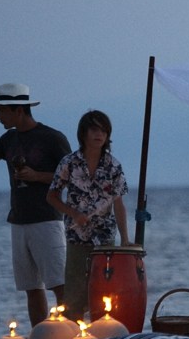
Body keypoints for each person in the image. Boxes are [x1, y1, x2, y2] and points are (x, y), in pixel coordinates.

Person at [0, 83, 71, 327]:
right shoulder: (9, 139)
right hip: (18, 221)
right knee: (32, 287)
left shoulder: (52, 138)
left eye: (1, 111)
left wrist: (37, 176)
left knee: (60, 285)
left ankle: (72, 334)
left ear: (18, 110)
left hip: (47, 220)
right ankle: (41, 337)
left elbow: (73, 175)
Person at [47, 110, 131, 321]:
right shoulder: (69, 162)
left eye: (103, 130)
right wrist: (73, 213)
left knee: (104, 291)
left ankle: (102, 337)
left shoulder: (113, 165)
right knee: (75, 291)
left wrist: (125, 238)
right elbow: (52, 196)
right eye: (94, 129)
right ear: (83, 133)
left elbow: (119, 203)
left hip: (104, 236)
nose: (99, 135)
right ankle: (74, 337)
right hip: (77, 235)